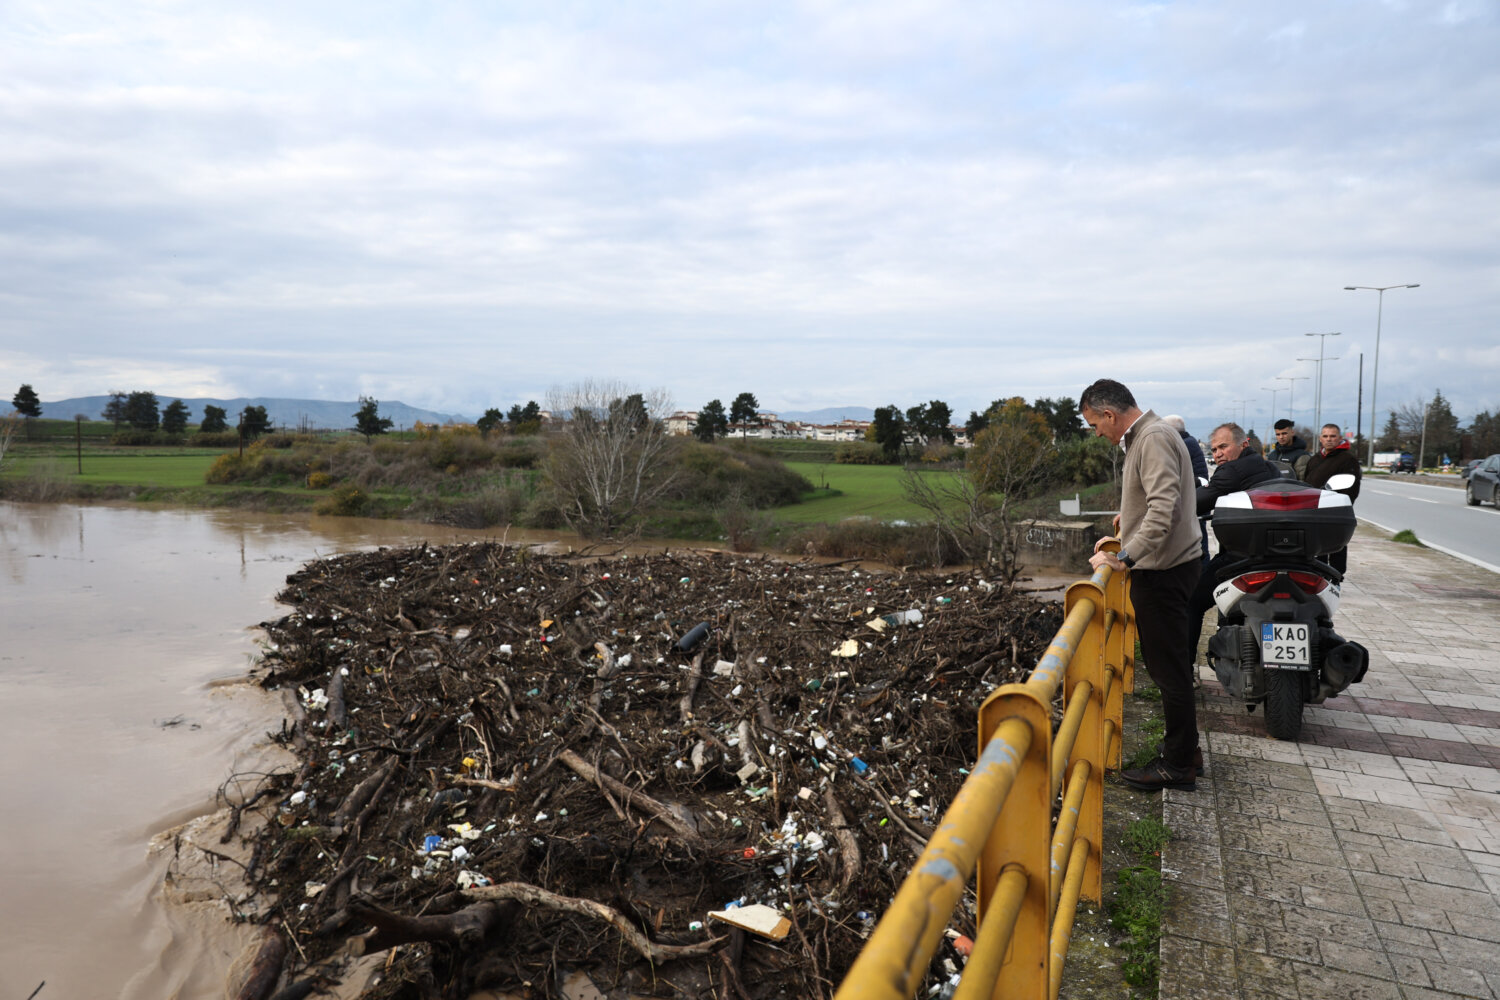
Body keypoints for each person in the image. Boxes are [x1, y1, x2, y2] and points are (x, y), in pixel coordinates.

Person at [1080, 380, 1202, 791]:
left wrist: (1123, 557)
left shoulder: (1150, 438)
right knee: (1170, 667)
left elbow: (1164, 507)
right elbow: (1155, 499)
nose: (1096, 433)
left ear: (1110, 415)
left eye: (1095, 424)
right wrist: (1127, 519)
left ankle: (1178, 765)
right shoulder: (1155, 434)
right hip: (1173, 565)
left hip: (1162, 571)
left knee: (1168, 671)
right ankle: (1186, 752)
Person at [1188, 423, 1282, 661]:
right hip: (1279, 554)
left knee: (1191, 602)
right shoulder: (1270, 467)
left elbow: (1195, 503)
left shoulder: (1231, 471)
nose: (1218, 453)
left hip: (1243, 557)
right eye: (1215, 449)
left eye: (1223, 446)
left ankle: (1183, 672)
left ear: (1244, 444)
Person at [1302, 423, 1362, 575]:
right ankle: (1316, 579)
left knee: (1336, 548)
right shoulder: (1314, 459)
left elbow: (1351, 489)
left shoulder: (1348, 459)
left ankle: (1335, 580)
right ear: (1320, 438)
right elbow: (1305, 483)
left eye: (1333, 436)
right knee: (1316, 550)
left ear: (1340, 438)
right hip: (1312, 511)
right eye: (1325, 436)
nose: (1329, 439)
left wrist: (1338, 507)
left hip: (1334, 513)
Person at [1163, 414, 1210, 563]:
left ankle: (1202, 578)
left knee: (1198, 544)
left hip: (1195, 500)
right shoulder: (1188, 441)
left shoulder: (1184, 444)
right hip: (1196, 497)